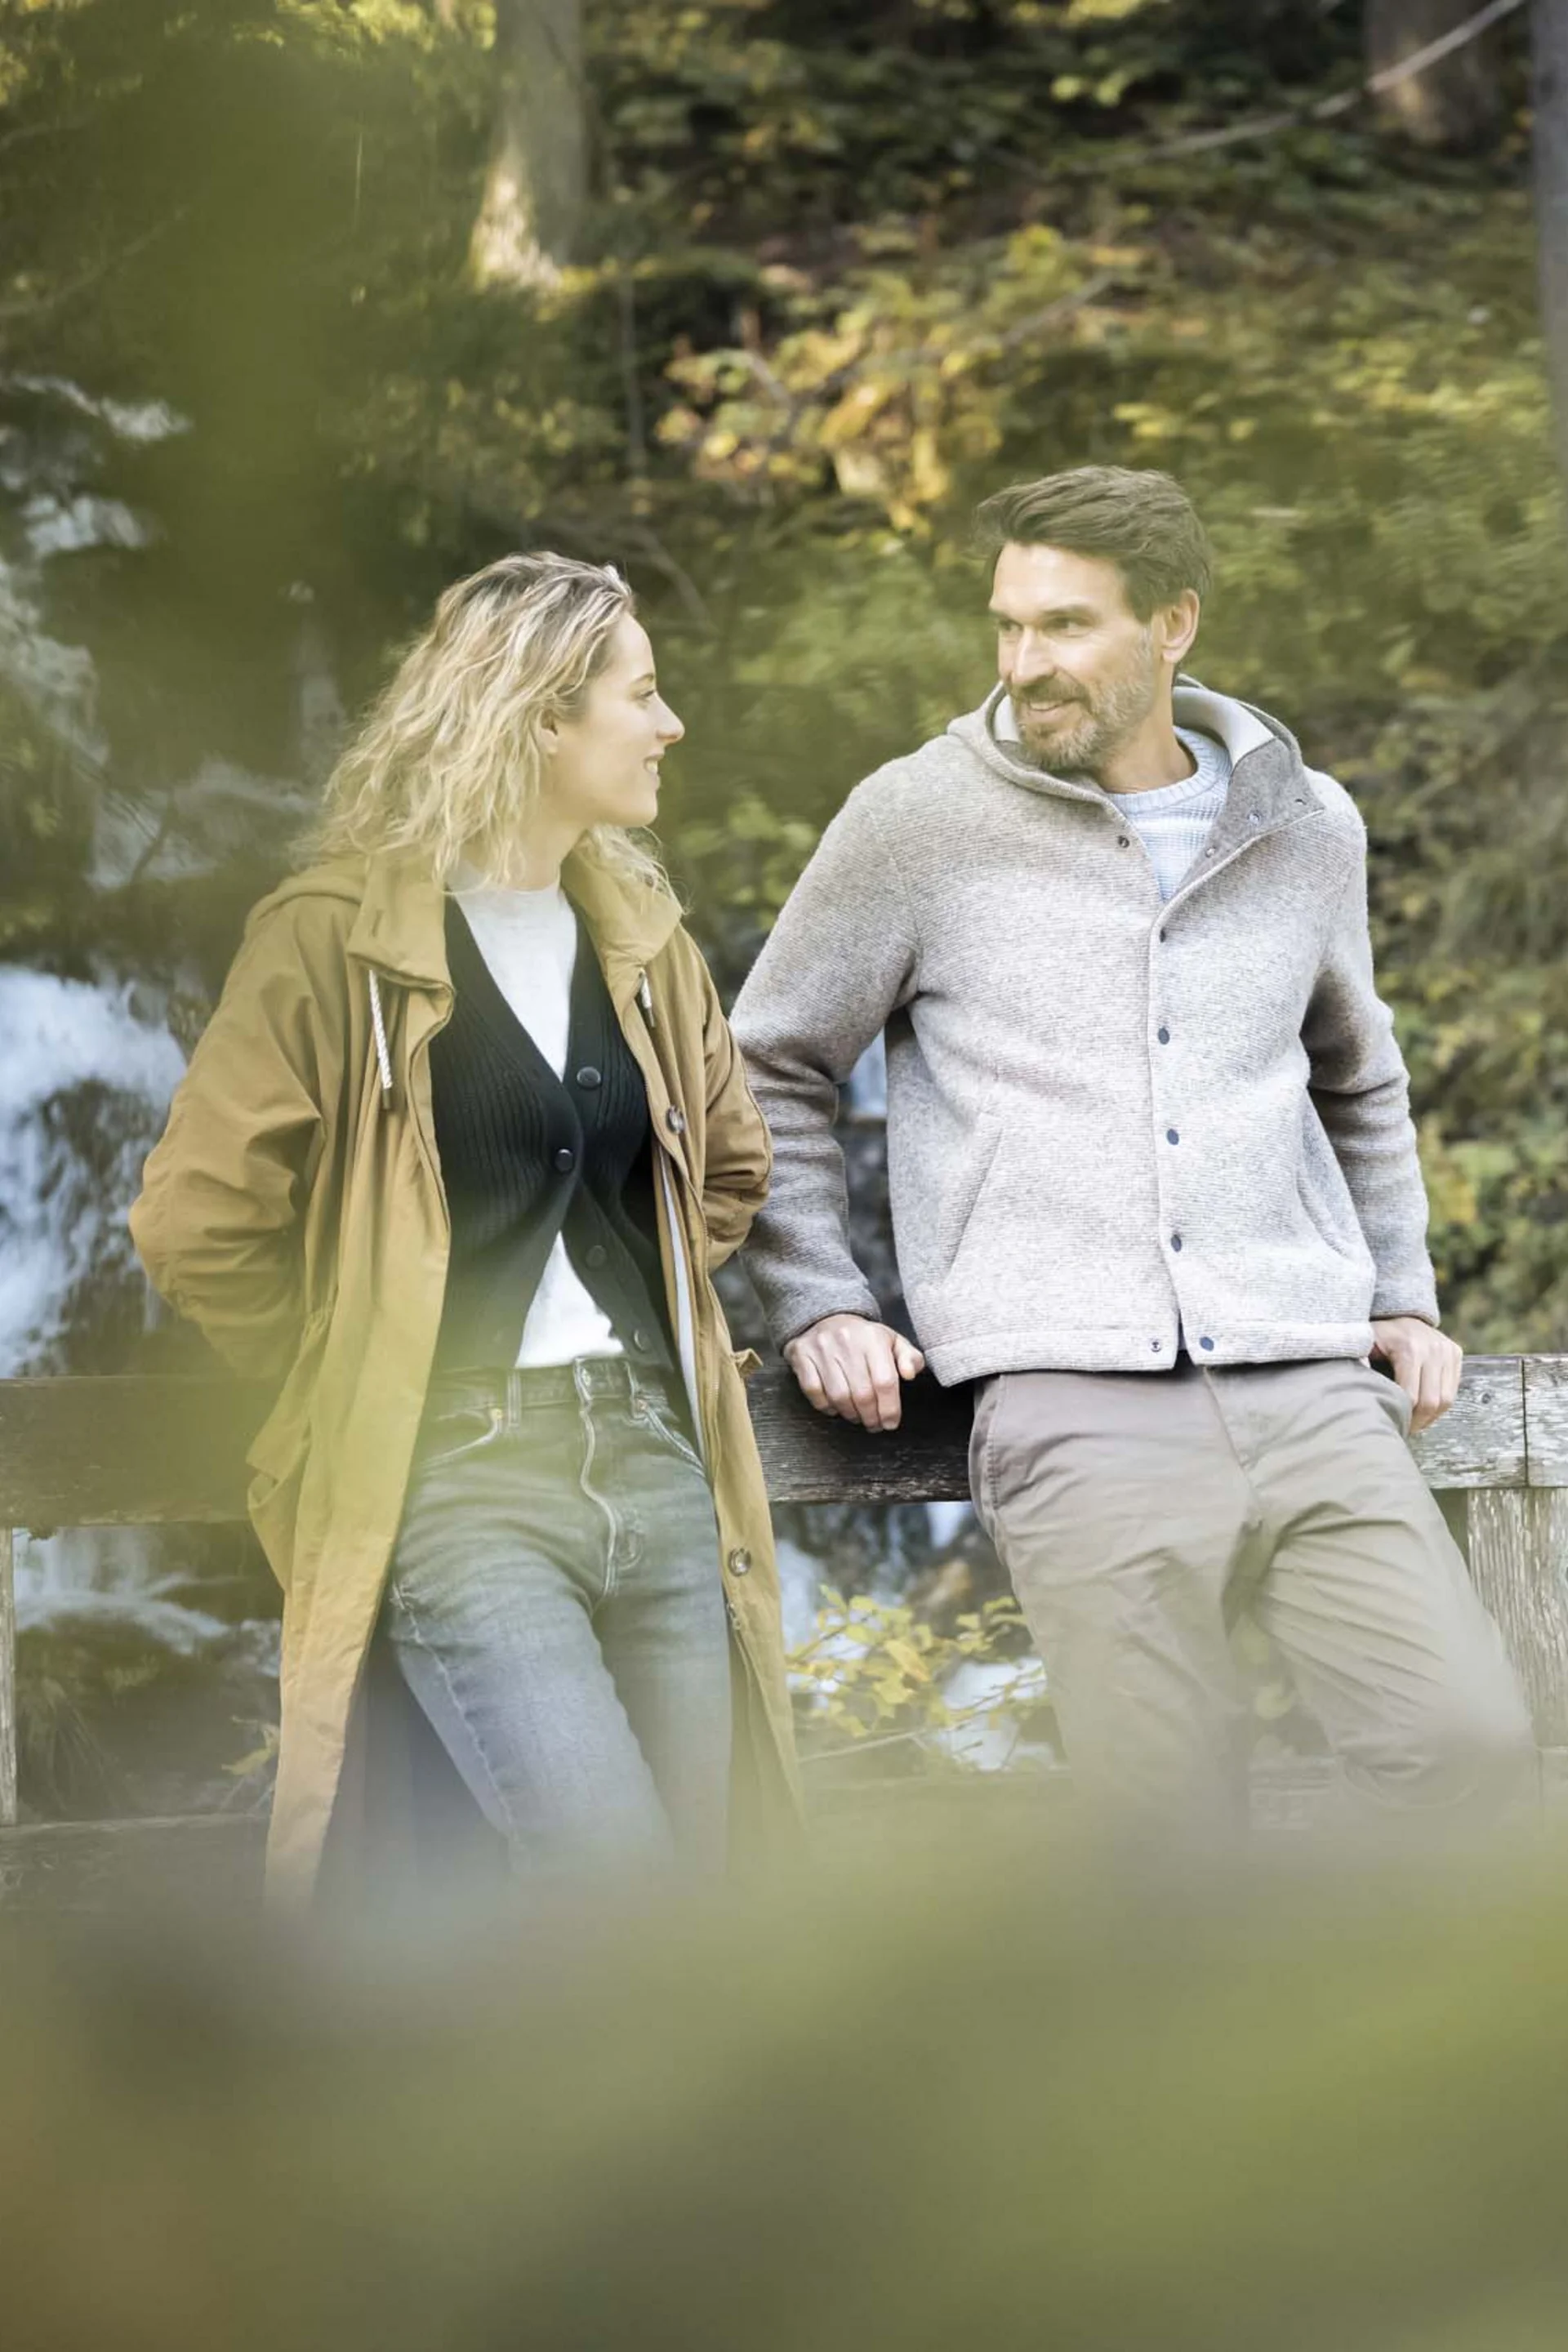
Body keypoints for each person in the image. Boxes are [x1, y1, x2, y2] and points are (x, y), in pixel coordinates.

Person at [732, 466, 1533, 1836]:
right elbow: (768, 1062)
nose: (1026, 664)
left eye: (1067, 627)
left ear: (1174, 627)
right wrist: (819, 1299)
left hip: (1308, 1373)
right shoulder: (915, 818)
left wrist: (1400, 1290)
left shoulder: (1305, 827)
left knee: (1471, 1745)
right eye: (1008, 627)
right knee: (1168, 1817)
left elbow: (1359, 1072)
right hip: (1071, 1394)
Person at [131, 552, 798, 1909]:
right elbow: (197, 1219)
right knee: (616, 1900)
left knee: (709, 1924)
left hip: (661, 1470)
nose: (671, 727)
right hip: (462, 1486)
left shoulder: (643, 941)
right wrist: (351, 1370)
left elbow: (726, 1174)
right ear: (542, 716)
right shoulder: (334, 943)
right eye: (645, 695)